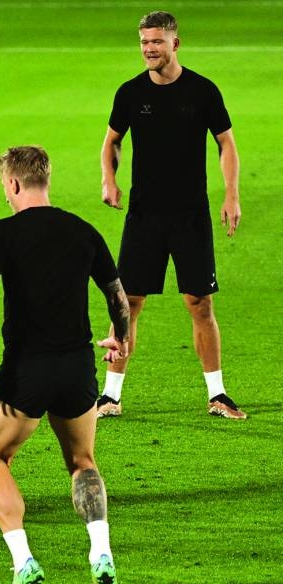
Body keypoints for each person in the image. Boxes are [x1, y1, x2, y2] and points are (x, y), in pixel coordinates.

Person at [0, 146, 130, 584]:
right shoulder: (83, 231)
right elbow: (117, 296)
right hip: (77, 365)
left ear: (14, 184)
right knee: (83, 460)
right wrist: (119, 338)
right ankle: (101, 553)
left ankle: (23, 561)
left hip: (25, 369)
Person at [98, 10, 245, 419]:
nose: (149, 49)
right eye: (145, 42)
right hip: (144, 215)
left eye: (157, 42)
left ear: (174, 44)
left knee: (199, 303)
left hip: (190, 215)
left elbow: (226, 144)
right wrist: (108, 178)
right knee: (127, 301)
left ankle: (217, 394)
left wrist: (231, 194)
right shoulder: (129, 93)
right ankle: (110, 395)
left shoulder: (202, 91)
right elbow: (111, 141)